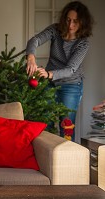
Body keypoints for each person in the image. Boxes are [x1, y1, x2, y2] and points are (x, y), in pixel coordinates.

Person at [25, 1, 94, 142]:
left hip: (71, 85)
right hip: (50, 84)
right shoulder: (55, 30)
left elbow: (71, 69)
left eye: (75, 21)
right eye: (68, 20)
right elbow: (35, 40)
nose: (70, 25)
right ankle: (47, 157)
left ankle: (67, 161)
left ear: (82, 22)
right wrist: (31, 58)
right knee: (46, 123)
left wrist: (49, 74)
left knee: (67, 126)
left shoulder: (83, 43)